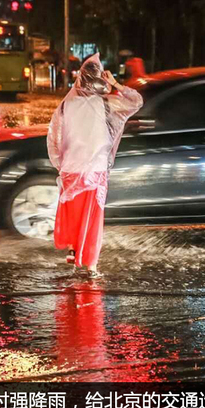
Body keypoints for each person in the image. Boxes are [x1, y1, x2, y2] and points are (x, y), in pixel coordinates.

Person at [47, 53, 144, 277]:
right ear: (99, 80)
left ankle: (73, 250)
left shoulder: (66, 106)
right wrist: (116, 84)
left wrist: (61, 164)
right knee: (92, 218)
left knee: (74, 213)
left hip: (72, 169)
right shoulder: (106, 104)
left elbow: (55, 138)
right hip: (95, 171)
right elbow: (136, 102)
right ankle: (90, 264)